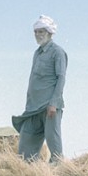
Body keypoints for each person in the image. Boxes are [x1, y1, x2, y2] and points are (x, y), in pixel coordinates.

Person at [12, 14, 67, 162]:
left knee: (54, 145)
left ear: (49, 33)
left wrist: (53, 103)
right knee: (25, 145)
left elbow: (61, 78)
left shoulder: (58, 52)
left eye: (41, 31)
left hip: (49, 107)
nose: (37, 35)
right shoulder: (37, 53)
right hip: (33, 108)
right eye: (36, 32)